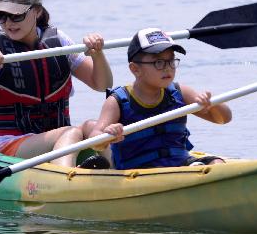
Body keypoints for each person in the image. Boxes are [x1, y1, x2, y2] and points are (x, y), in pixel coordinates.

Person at [0, 0, 113, 167]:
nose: (9, 23)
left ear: (36, 11)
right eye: (1, 16)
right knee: (71, 132)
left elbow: (102, 84)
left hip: (55, 137)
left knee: (97, 128)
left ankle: (117, 174)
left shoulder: (58, 41)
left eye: (16, 15)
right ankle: (66, 181)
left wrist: (97, 54)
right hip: (7, 144)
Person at [86, 28, 231, 170]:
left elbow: (224, 119)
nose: (168, 68)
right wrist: (108, 134)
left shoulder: (180, 92)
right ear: (135, 69)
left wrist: (212, 104)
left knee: (216, 163)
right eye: (159, 63)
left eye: (171, 61)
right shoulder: (118, 101)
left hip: (181, 162)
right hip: (139, 170)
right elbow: (95, 138)